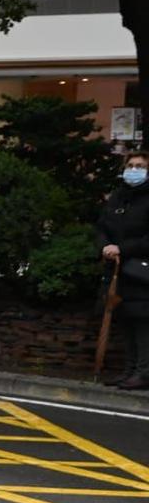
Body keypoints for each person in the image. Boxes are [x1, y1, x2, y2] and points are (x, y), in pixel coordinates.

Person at [97, 150, 149, 389]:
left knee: (142, 322)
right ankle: (129, 370)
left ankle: (143, 372)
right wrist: (106, 246)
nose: (134, 170)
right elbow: (102, 226)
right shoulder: (118, 197)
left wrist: (122, 249)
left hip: (140, 271)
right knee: (124, 319)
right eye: (131, 165)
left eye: (140, 165)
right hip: (117, 271)